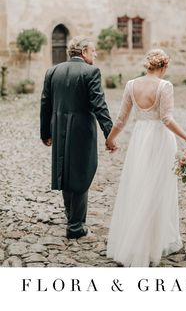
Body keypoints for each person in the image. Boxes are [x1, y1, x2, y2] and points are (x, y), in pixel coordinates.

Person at [105, 49, 186, 267]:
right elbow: (166, 119)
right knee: (158, 189)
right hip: (160, 140)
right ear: (164, 67)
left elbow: (120, 120)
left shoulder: (130, 85)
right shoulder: (165, 86)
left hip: (139, 139)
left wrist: (110, 140)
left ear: (148, 66)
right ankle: (154, 241)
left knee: (139, 186)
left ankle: (136, 241)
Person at [40, 36, 115, 240]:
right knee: (82, 173)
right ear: (83, 52)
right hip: (81, 130)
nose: (96, 54)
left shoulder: (52, 71)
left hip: (59, 129)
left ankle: (70, 215)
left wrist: (45, 133)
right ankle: (75, 226)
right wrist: (110, 134)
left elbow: (45, 105)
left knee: (65, 171)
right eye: (93, 51)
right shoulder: (91, 72)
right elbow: (99, 106)